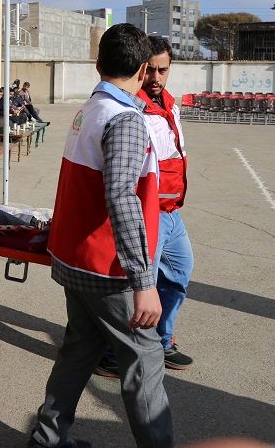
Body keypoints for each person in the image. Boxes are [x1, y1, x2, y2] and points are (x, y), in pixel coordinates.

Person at [28, 23, 172, 448]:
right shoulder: (125, 119)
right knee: (144, 363)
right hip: (106, 267)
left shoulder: (90, 108)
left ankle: (48, 438)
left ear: (98, 65)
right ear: (145, 69)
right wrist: (144, 281)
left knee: (79, 351)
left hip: (74, 258)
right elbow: (122, 199)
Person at [97, 35, 195, 376]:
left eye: (163, 70)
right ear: (140, 68)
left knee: (179, 274)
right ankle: (115, 354)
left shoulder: (170, 103)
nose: (156, 78)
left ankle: (161, 340)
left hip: (172, 212)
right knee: (140, 287)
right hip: (148, 213)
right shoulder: (129, 109)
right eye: (150, 70)